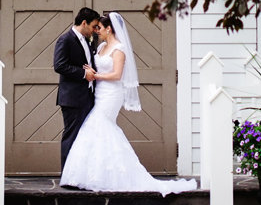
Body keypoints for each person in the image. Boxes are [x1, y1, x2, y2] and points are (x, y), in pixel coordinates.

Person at [60, 11, 197, 194]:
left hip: (111, 95)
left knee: (98, 125)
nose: (96, 31)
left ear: (109, 29)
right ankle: (98, 174)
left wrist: (96, 75)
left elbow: (117, 75)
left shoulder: (120, 49)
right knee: (98, 130)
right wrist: (89, 72)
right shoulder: (100, 48)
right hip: (98, 93)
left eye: (99, 28)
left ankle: (104, 175)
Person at [53, 7, 101, 169]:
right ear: (84, 23)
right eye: (94, 26)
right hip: (72, 98)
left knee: (84, 137)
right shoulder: (65, 39)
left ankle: (80, 174)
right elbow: (59, 65)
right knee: (72, 136)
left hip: (87, 96)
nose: (95, 30)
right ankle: (67, 175)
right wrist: (83, 74)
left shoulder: (88, 41)